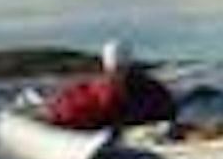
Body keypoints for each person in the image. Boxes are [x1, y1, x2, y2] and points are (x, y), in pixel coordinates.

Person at [45, 40, 178, 131]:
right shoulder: (92, 92)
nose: (118, 74)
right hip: (102, 135)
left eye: (122, 68)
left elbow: (168, 111)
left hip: (143, 135)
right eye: (115, 69)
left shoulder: (150, 89)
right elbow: (63, 114)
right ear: (107, 68)